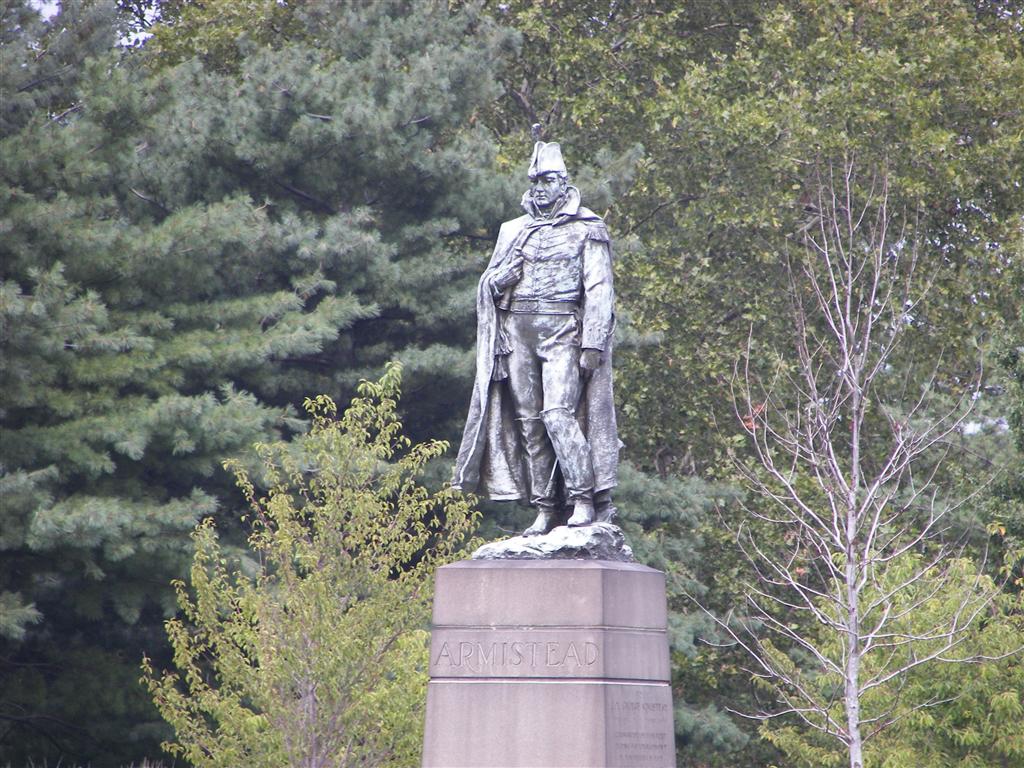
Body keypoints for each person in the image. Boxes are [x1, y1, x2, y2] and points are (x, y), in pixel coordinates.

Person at [452, 141, 619, 536]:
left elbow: (599, 289)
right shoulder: (513, 230)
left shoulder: (588, 228)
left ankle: (582, 499)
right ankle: (545, 508)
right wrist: (498, 281)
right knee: (529, 423)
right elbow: (489, 285)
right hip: (517, 333)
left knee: (557, 414)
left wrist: (592, 343)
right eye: (535, 181)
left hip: (563, 330)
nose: (540, 188)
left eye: (547, 180)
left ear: (564, 182)